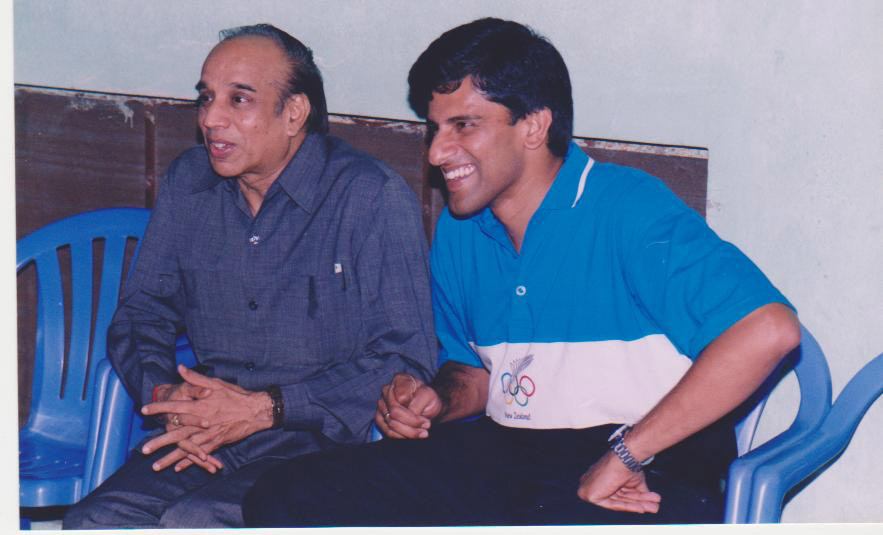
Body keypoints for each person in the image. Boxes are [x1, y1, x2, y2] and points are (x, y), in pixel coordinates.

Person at [242, 18, 800, 526]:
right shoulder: (462, 228)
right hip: (515, 451)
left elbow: (768, 331)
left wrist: (627, 453)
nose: (437, 153)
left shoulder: (628, 209)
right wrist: (436, 400)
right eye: (434, 128)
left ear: (533, 127)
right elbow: (476, 371)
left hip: (652, 456)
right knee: (287, 495)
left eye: (464, 125)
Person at [62, 23, 436, 529]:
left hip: (324, 443)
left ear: (294, 113)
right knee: (99, 519)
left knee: (198, 520)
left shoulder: (369, 196)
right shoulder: (189, 183)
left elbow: (406, 355)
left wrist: (266, 409)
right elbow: (142, 311)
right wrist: (164, 393)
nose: (211, 119)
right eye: (206, 98)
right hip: (207, 429)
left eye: (238, 100)